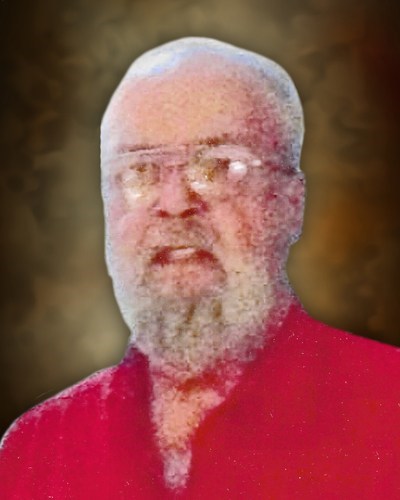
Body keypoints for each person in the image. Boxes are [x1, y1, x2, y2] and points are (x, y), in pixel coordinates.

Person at [1, 37, 399, 499]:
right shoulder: (35, 450)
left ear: (290, 204)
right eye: (139, 172)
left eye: (220, 167)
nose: (174, 203)